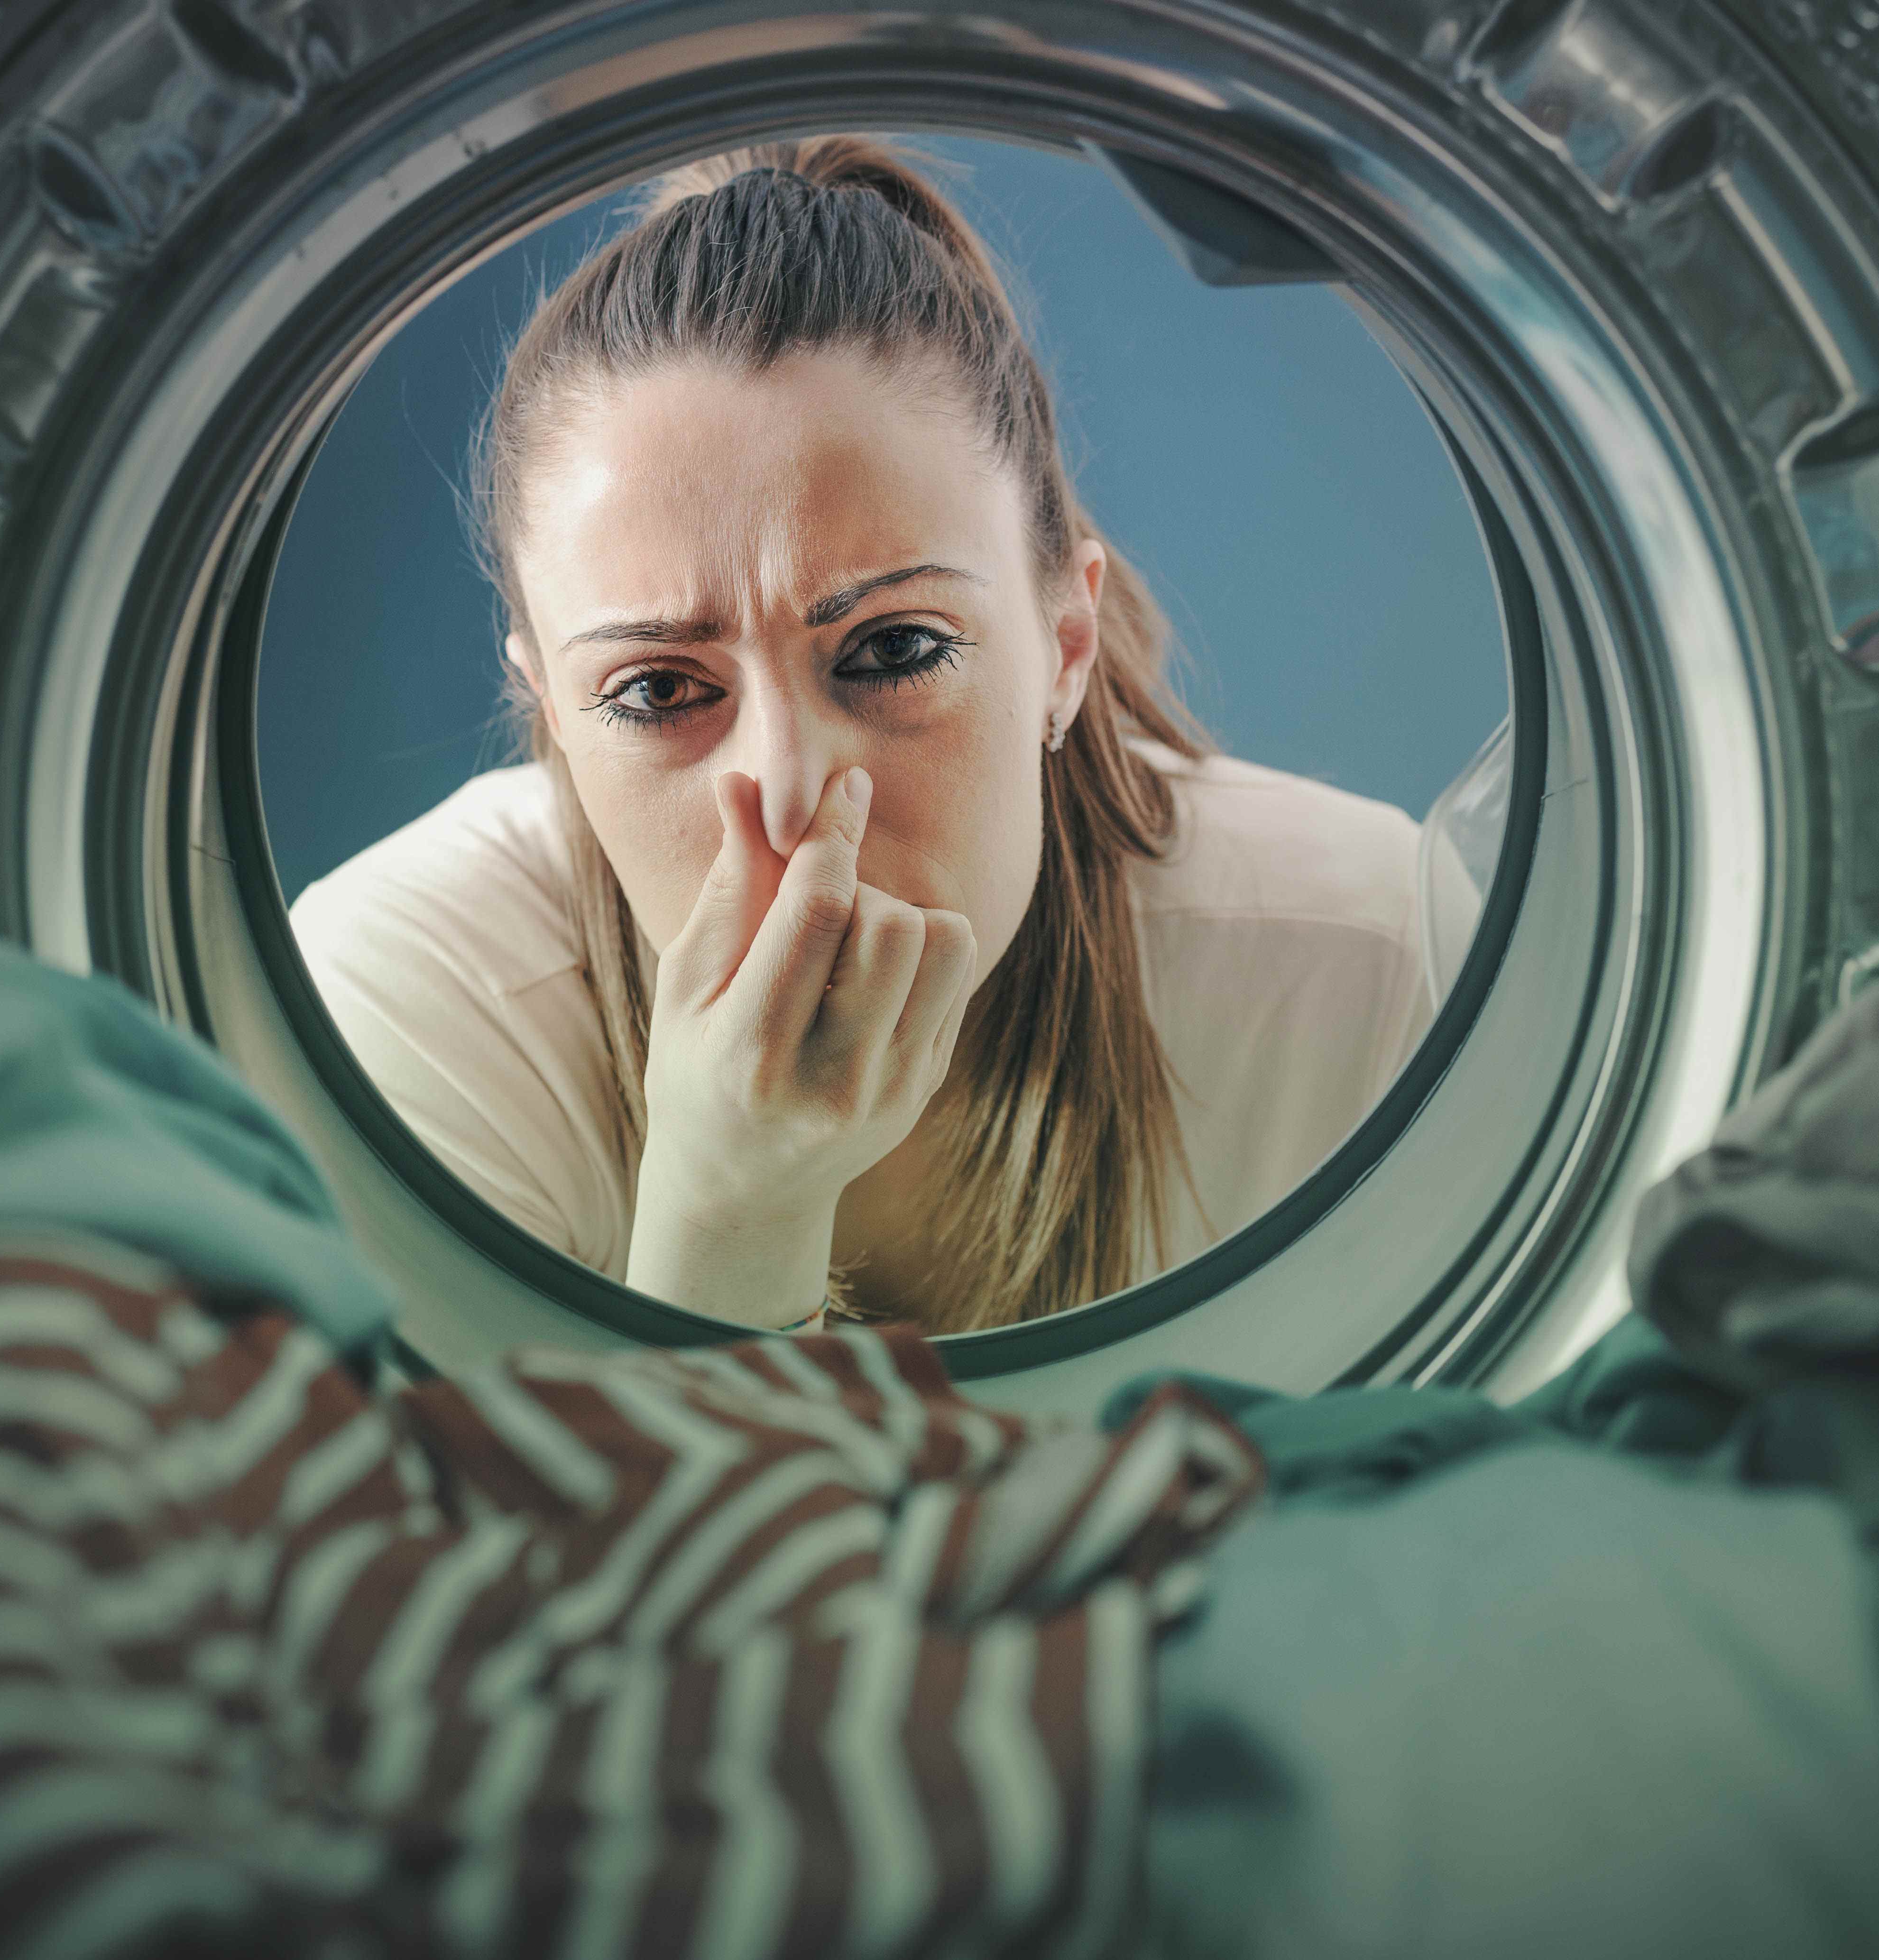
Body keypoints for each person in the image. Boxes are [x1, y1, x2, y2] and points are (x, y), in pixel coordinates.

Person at [292, 137, 1440, 1333]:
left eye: (894, 651)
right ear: (549, 718)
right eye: (658, 692)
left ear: (1063, 647)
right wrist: (727, 1215)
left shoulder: (1371, 968)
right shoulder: (400, 1022)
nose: (789, 796)